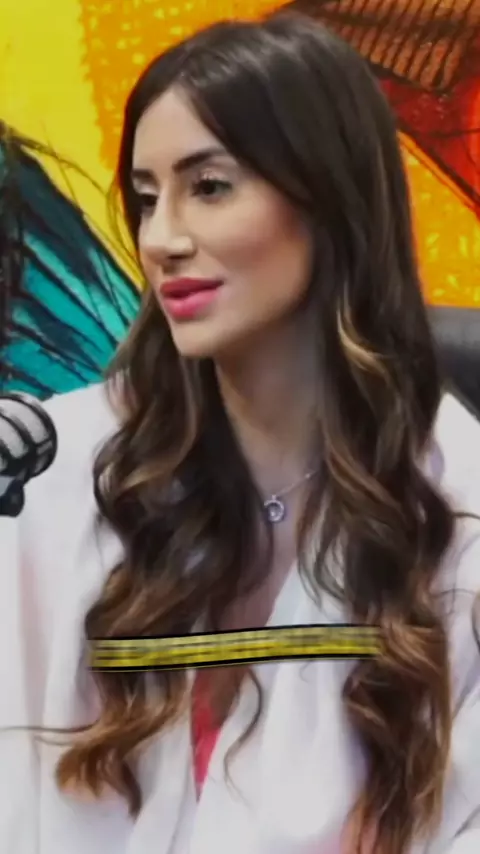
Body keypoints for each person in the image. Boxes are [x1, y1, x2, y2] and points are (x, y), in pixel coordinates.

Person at [1, 11, 479, 854]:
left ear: (326, 197)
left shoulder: (458, 501)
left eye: (210, 187)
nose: (163, 240)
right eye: (147, 199)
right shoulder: (52, 468)